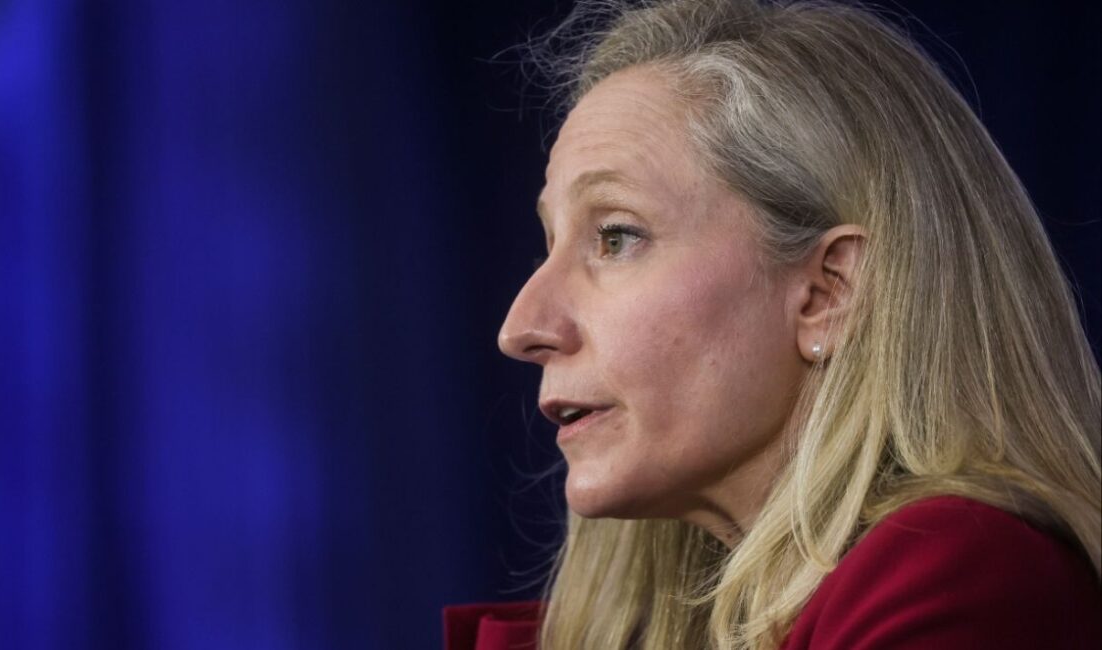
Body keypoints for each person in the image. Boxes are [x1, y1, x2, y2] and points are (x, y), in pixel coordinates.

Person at [444, 0, 1101, 648]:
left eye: (616, 237)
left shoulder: (963, 579)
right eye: (549, 241)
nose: (521, 327)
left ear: (827, 292)